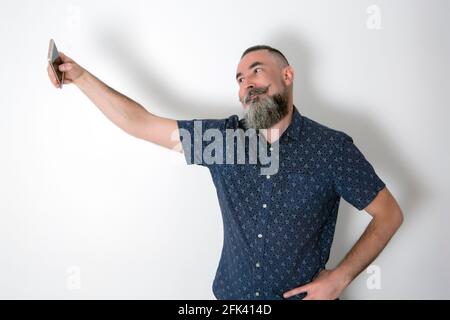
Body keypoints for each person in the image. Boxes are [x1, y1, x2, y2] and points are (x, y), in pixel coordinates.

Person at [47, 45, 403, 300]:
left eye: (256, 70)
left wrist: (339, 279)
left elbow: (388, 214)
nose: (246, 83)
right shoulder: (223, 140)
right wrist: (79, 76)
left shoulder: (331, 148)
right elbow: (139, 123)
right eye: (239, 79)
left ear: (288, 74)